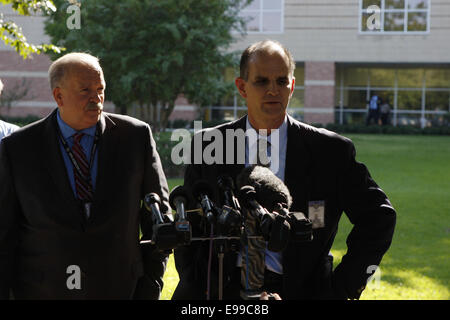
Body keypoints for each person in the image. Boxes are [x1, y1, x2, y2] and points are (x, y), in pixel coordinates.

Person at [173, 40, 396, 300]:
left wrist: (342, 287)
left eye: (281, 81)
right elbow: (186, 224)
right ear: (242, 87)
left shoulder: (331, 151)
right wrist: (193, 278)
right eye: (261, 81)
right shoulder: (208, 145)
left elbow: (379, 217)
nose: (272, 90)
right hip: (219, 292)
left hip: (302, 292)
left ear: (292, 85)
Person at [0, 52, 171, 299]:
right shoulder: (18, 147)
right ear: (58, 96)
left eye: (100, 89)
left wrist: (149, 286)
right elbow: (5, 233)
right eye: (85, 91)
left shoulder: (135, 137)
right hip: (43, 290)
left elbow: (158, 223)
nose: (97, 98)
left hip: (120, 288)